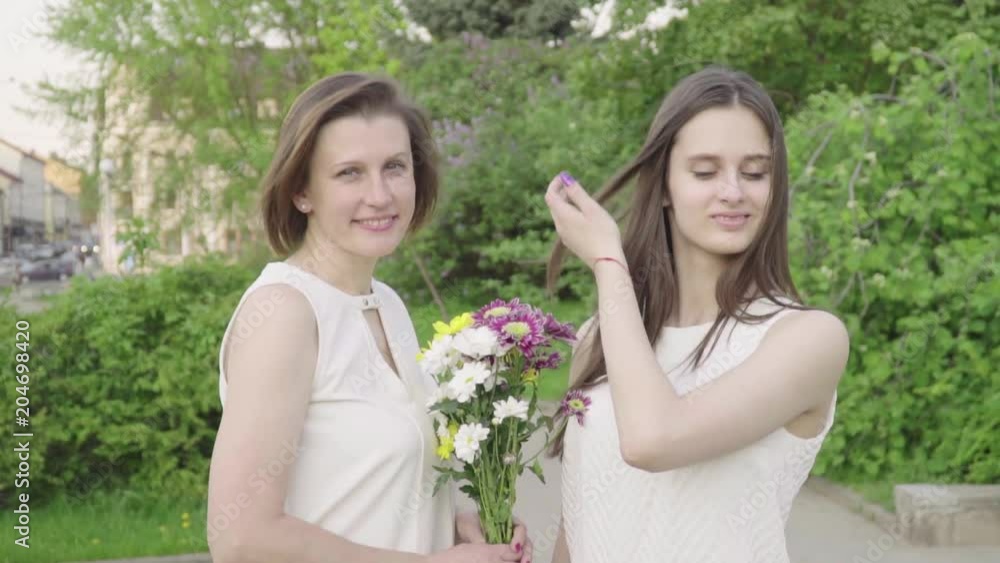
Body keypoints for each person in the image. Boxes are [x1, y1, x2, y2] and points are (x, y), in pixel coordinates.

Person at [207, 72, 532, 563]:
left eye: (395, 167)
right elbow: (241, 539)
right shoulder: (284, 314)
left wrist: (460, 523)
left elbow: (372, 491)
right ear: (301, 191)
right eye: (349, 173)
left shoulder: (386, 303)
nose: (380, 195)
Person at [543, 66, 849, 562]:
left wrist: (607, 263)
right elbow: (577, 528)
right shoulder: (599, 340)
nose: (733, 191)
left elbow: (652, 440)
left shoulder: (808, 338)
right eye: (705, 172)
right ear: (664, 186)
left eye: (755, 172)